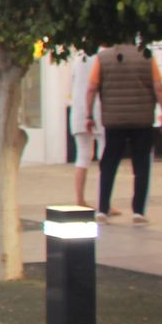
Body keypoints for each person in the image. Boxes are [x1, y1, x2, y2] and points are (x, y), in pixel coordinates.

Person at [90, 42, 162, 224]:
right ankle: (139, 212)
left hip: (114, 121)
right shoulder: (147, 56)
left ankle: (102, 209)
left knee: (109, 164)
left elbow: (91, 88)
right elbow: (158, 87)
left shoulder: (102, 58)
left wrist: (88, 115)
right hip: (142, 120)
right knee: (141, 165)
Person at [68, 51, 98, 208]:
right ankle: (103, 201)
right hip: (97, 111)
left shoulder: (77, 59)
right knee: (105, 155)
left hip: (78, 111)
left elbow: (72, 83)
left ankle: (80, 199)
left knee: (83, 155)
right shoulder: (99, 57)